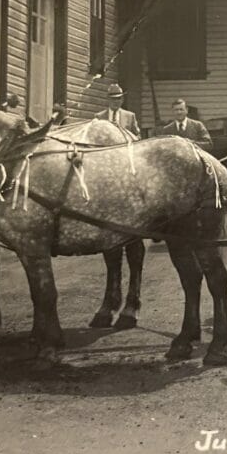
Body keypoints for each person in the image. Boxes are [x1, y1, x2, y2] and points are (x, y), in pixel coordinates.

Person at [94, 83, 144, 309]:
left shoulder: (130, 117)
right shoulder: (98, 117)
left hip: (125, 163)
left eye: (119, 99)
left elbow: (138, 140)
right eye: (112, 99)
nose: (116, 102)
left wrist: (124, 135)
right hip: (105, 166)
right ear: (108, 100)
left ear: (122, 100)